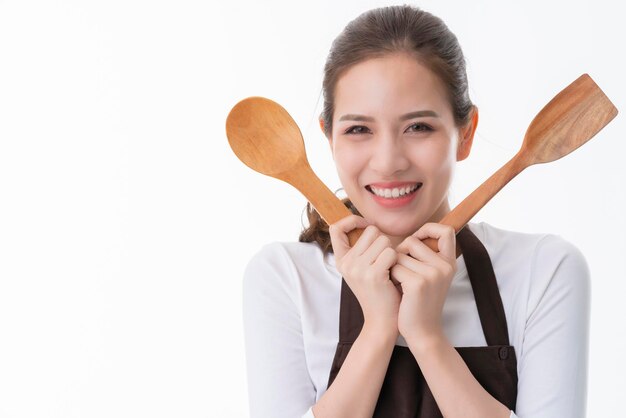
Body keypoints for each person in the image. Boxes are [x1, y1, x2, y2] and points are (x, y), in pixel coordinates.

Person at [242, 5, 590, 418]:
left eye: (418, 127)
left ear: (466, 134)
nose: (388, 162)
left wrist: (427, 337)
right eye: (358, 129)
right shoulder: (285, 277)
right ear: (329, 137)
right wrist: (377, 329)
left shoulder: (543, 270)